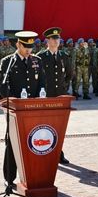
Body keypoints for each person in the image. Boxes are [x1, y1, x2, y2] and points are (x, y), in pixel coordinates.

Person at [0, 31, 46, 189]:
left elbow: (42, 83)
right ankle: (9, 178)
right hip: (15, 110)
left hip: (33, 110)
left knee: (32, 141)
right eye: (25, 47)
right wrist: (14, 101)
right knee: (12, 142)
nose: (28, 50)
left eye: (30, 47)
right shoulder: (8, 61)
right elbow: (1, 86)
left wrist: (41, 96)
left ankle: (31, 175)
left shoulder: (37, 61)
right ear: (18, 44)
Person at [38, 27, 73, 164]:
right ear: (48, 40)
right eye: (53, 38)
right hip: (46, 96)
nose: (56, 41)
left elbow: (70, 74)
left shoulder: (63, 56)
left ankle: (59, 153)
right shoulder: (41, 56)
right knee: (45, 125)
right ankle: (46, 151)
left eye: (58, 38)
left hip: (60, 96)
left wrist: (64, 87)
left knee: (59, 126)